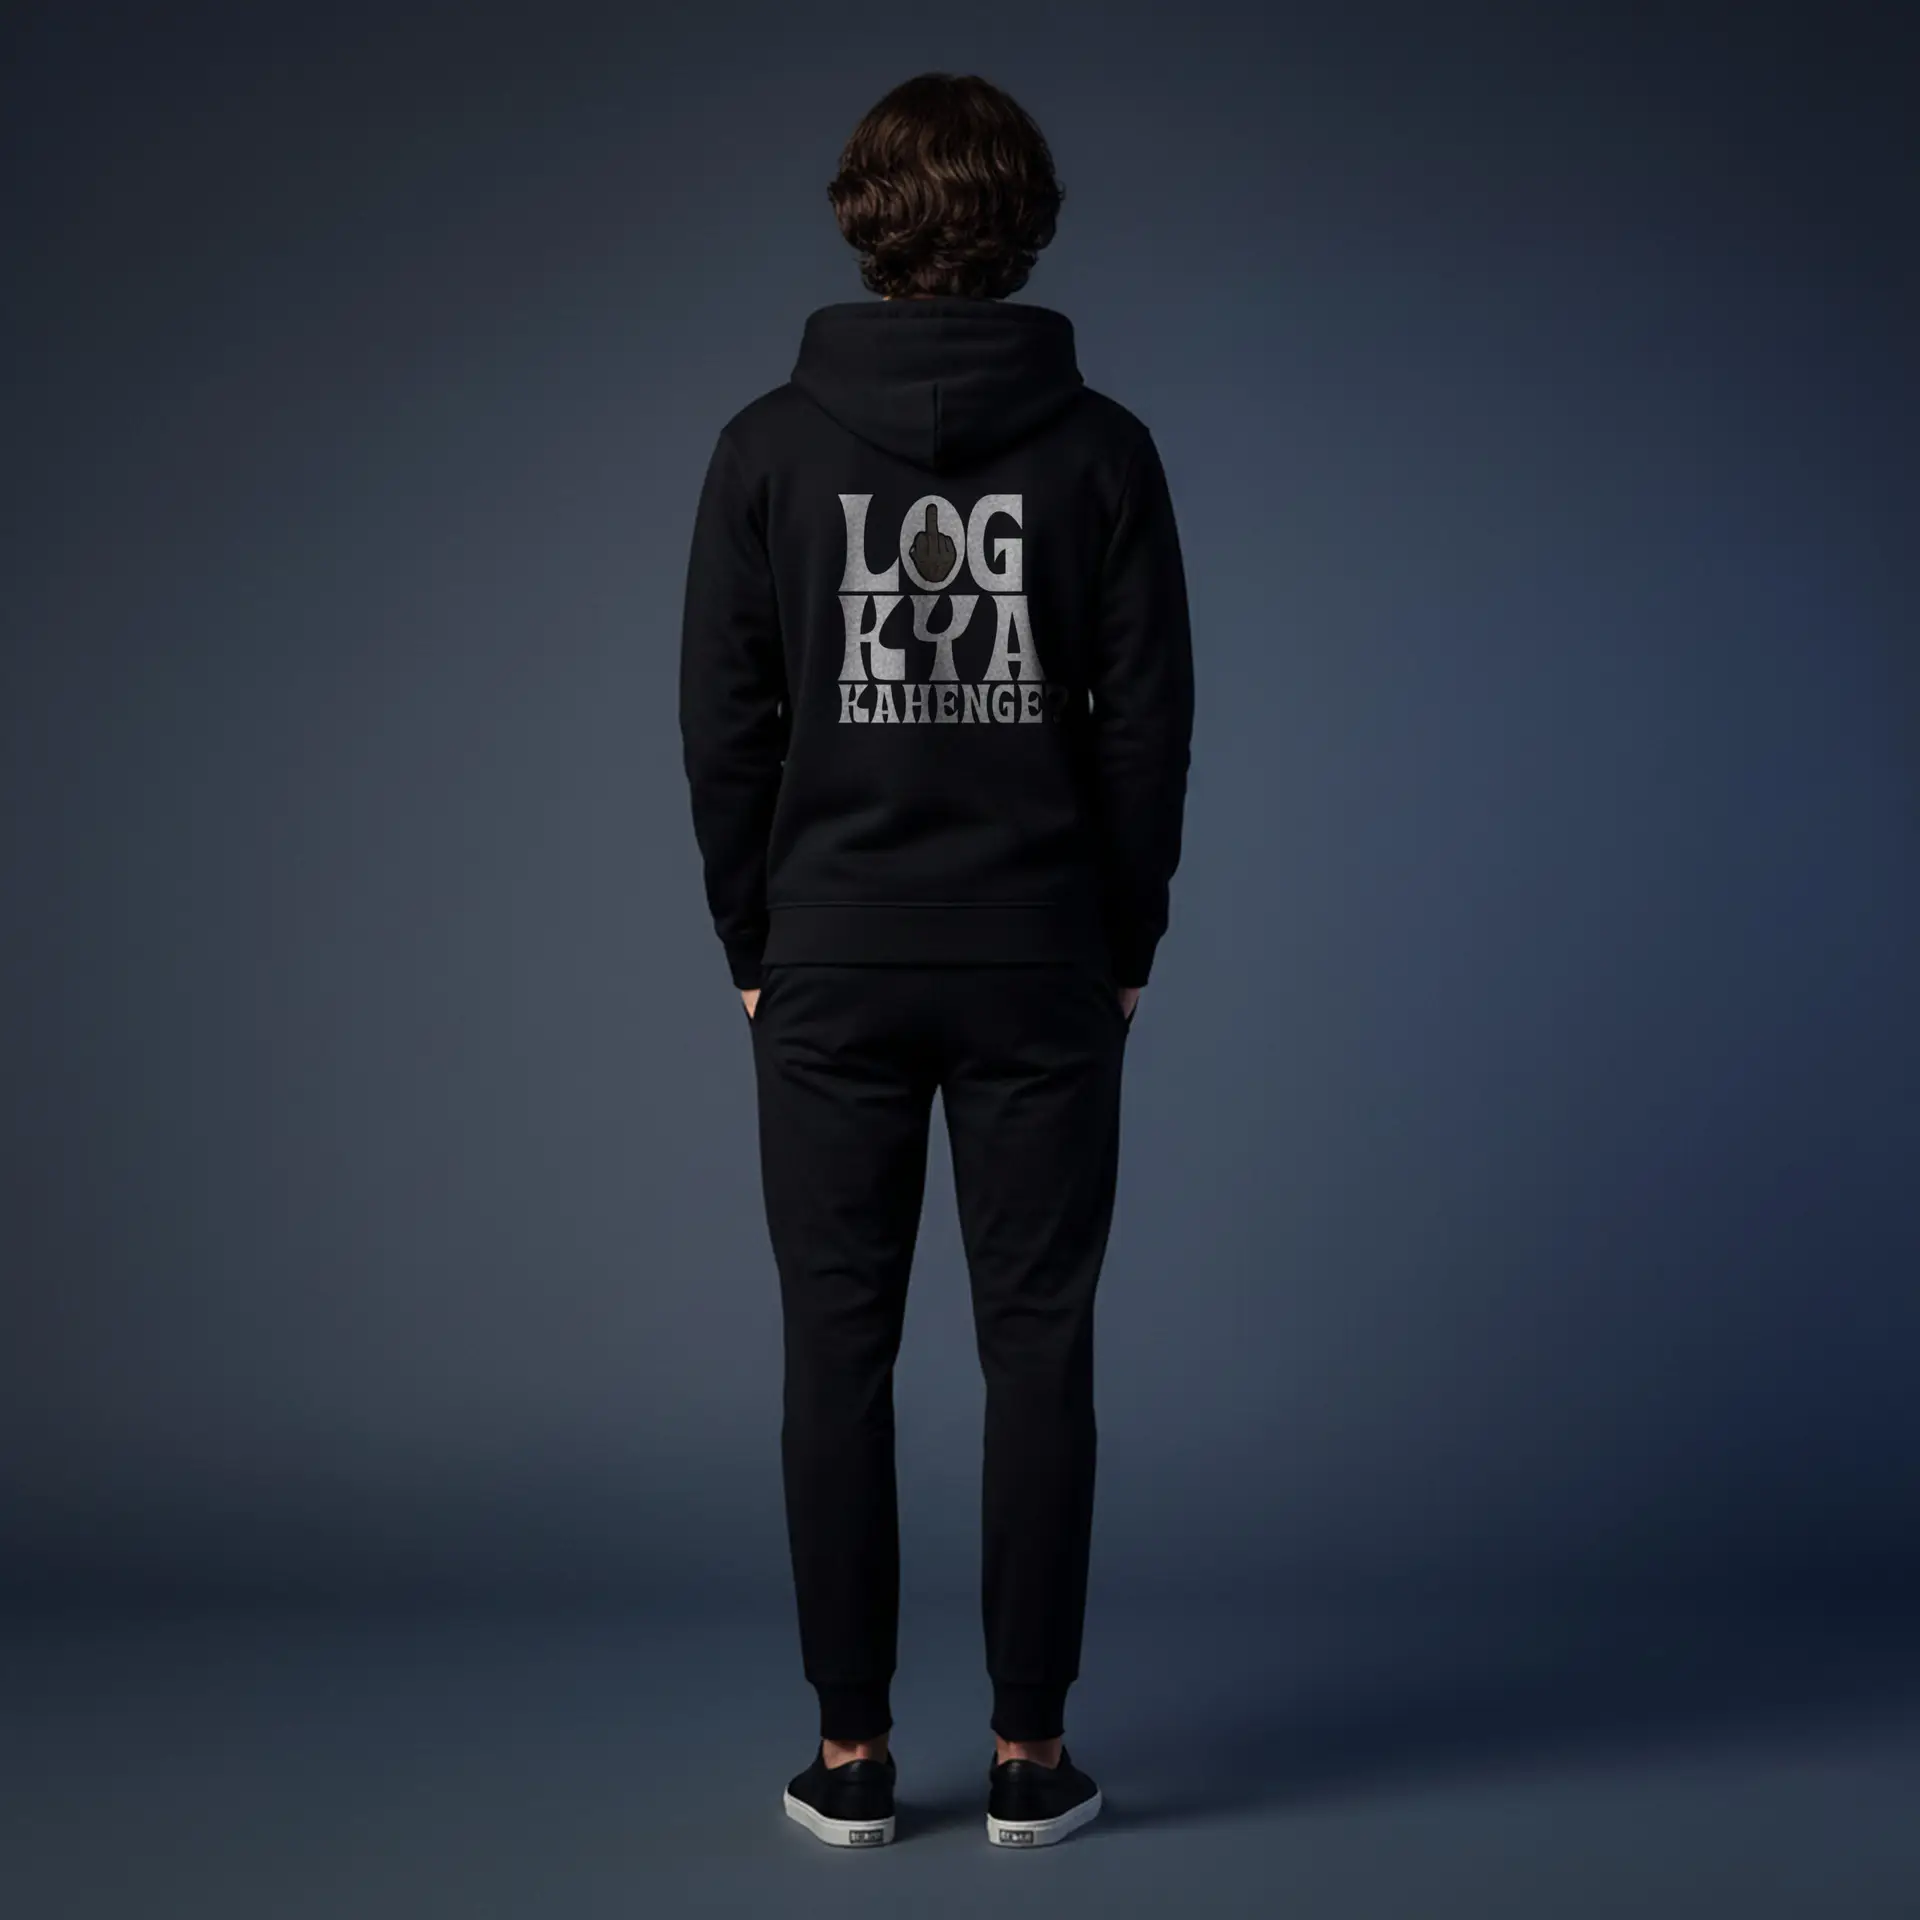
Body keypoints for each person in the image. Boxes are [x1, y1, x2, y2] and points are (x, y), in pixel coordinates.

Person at [678, 70, 1194, 1850]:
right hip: (1042, 959)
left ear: (864, 219)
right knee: (1039, 1348)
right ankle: (1033, 1757)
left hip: (829, 959)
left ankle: (851, 1759)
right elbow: (1148, 734)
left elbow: (724, 727)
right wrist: (1121, 941)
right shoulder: (1104, 453)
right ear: (1026, 221)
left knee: (836, 1352)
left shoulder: (765, 448)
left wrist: (756, 941)